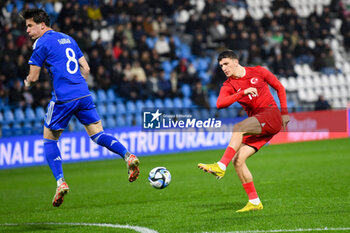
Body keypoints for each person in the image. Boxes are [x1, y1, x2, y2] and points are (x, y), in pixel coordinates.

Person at [22, 9, 140, 207]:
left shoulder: (41, 43)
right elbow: (86, 68)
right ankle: (128, 156)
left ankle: (60, 182)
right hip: (83, 93)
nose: (27, 30)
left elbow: (33, 78)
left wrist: (27, 83)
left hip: (63, 98)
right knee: (97, 134)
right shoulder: (68, 39)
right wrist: (77, 86)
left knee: (49, 140)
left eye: (29, 25)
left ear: (42, 25)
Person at [198, 50, 290, 212]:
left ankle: (221, 165)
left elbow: (279, 88)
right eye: (221, 66)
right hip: (259, 125)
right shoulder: (228, 85)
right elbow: (220, 104)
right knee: (238, 160)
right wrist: (242, 92)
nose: (224, 68)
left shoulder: (258, 71)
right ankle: (254, 202)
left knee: (238, 128)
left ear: (235, 61)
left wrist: (284, 113)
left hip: (271, 114)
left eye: (226, 64)